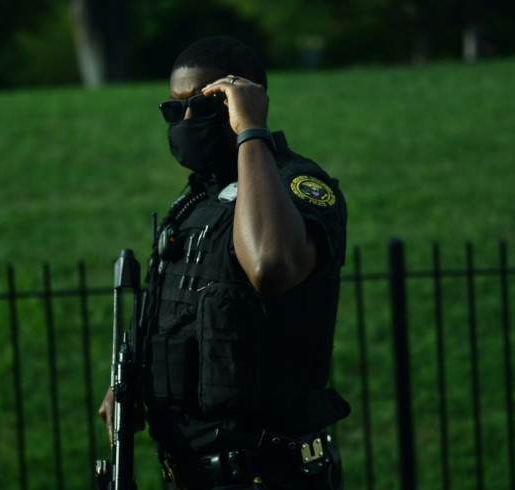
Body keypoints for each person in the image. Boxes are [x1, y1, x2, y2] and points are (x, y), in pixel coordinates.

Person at [99, 35, 350, 490]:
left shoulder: (298, 185)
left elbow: (270, 264)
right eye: (175, 108)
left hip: (268, 476)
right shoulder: (194, 201)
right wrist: (134, 384)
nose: (187, 119)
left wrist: (251, 130)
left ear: (244, 99)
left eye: (206, 103)